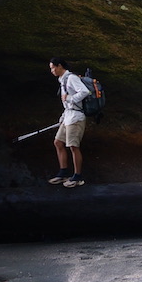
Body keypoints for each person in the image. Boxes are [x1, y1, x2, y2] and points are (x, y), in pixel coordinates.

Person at [47, 58, 90, 187]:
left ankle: (77, 177)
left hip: (76, 118)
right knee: (58, 142)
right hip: (68, 117)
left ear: (59, 66)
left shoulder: (71, 78)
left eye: (53, 68)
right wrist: (62, 118)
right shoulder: (62, 80)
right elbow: (67, 105)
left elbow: (84, 91)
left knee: (73, 146)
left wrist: (70, 98)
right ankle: (63, 173)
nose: (52, 71)